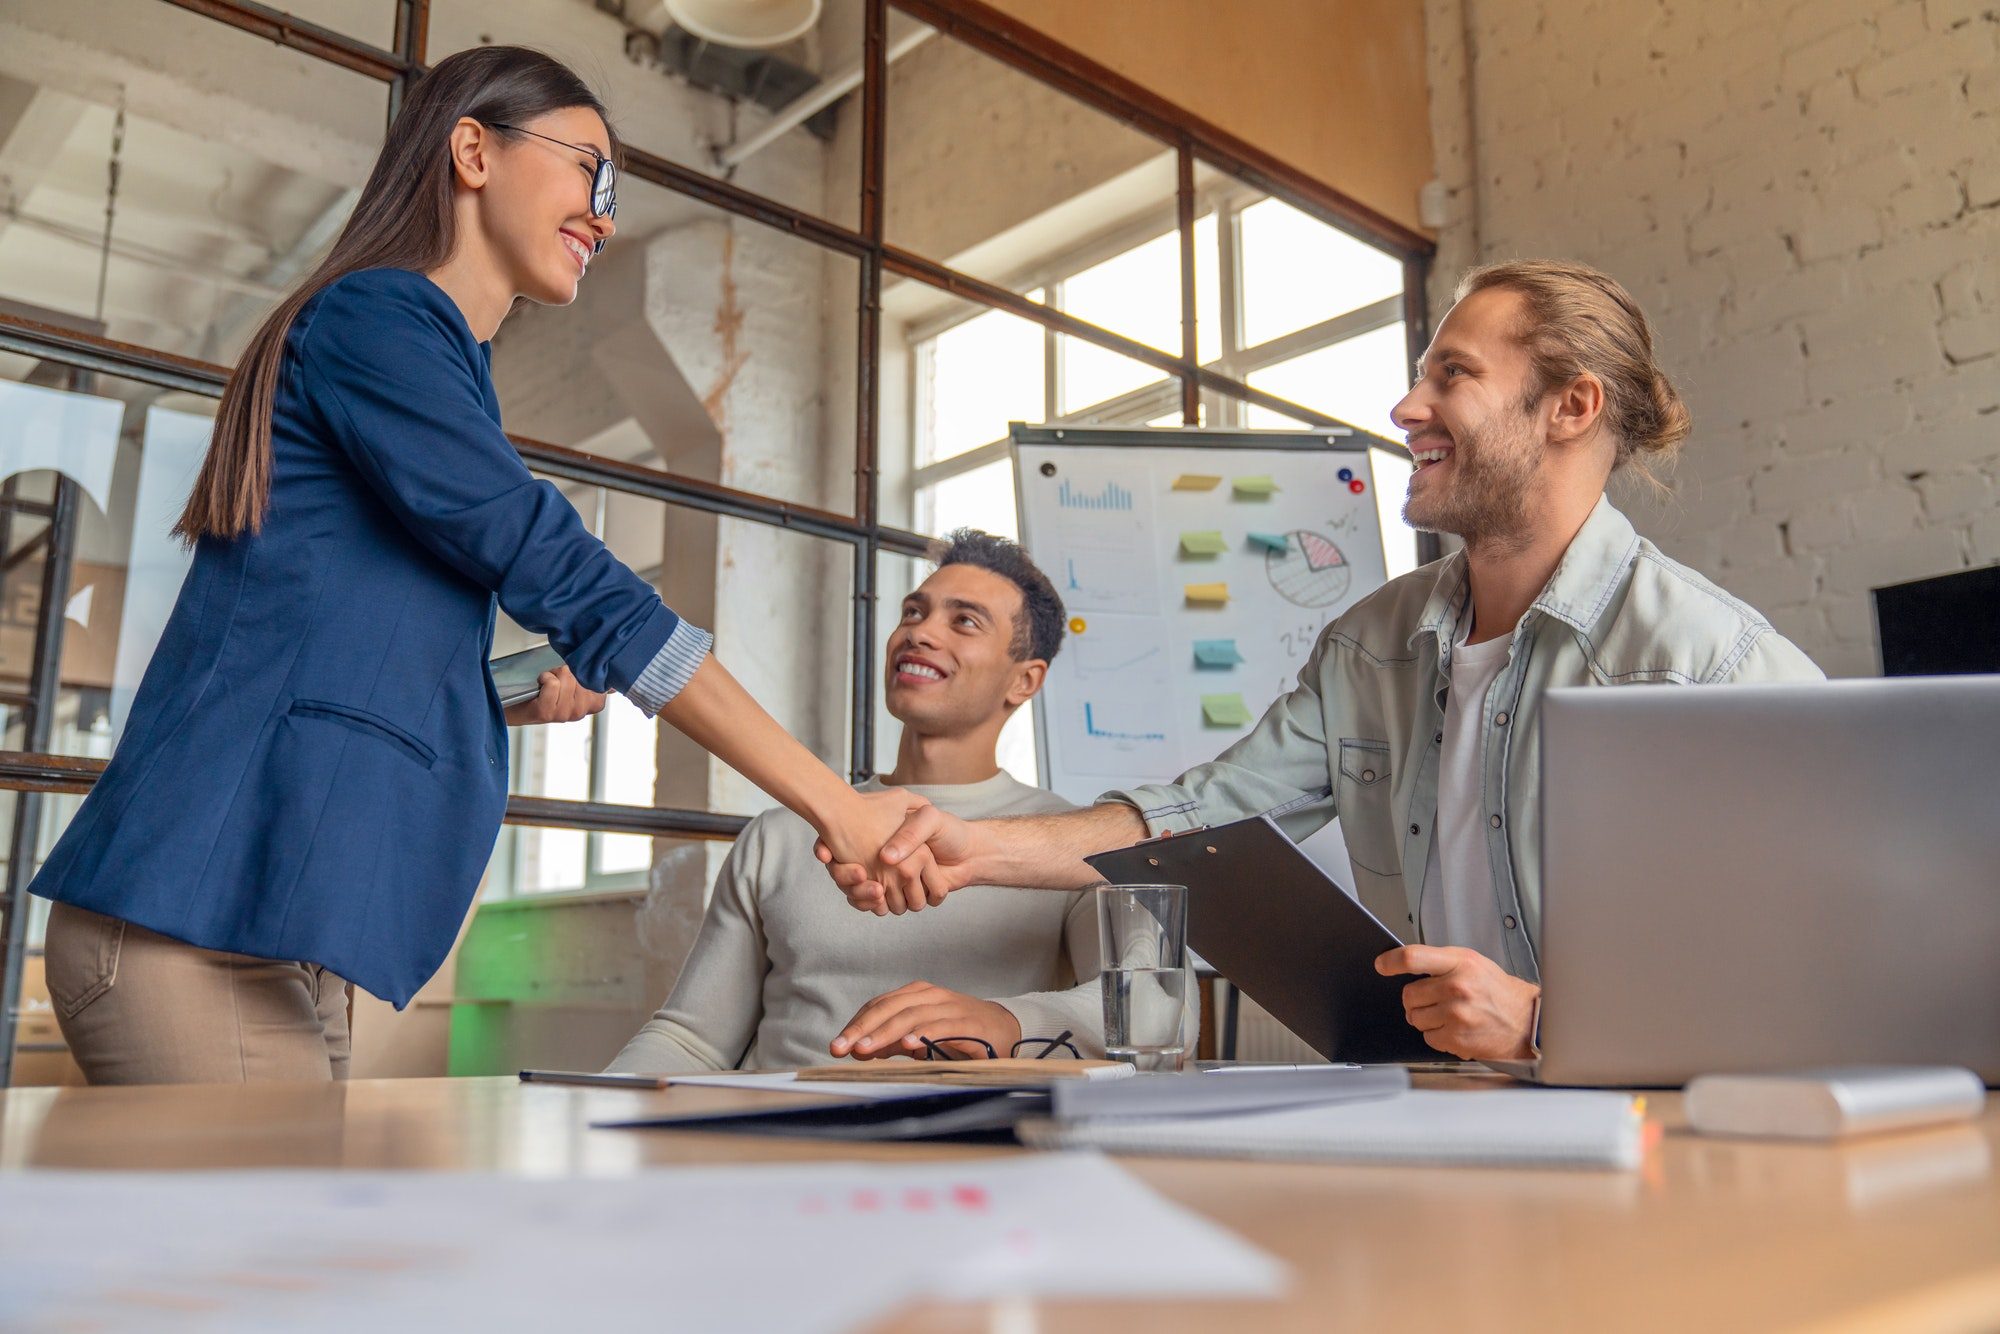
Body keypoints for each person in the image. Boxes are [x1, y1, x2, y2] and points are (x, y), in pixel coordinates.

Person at [32, 47, 911, 1086]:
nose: (604, 214)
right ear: (472, 150)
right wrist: (836, 804)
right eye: (589, 168)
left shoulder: (430, 358)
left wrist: (496, 691)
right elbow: (558, 565)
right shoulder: (377, 319)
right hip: (191, 920)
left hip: (273, 924)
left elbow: (319, 650)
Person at [824, 259, 1825, 1063]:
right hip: (1438, 1116)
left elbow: (1821, 961)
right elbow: (1202, 810)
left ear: (1568, 407)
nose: (1405, 407)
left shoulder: (1710, 659)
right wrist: (974, 847)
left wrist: (1538, 1022)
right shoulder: (1368, 643)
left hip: (1657, 1149)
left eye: (1453, 374)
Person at [607, 531, 1118, 1072]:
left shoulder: (1067, 844)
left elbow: (1147, 1010)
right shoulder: (779, 834)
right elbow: (692, 1040)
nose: (919, 632)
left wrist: (1007, 1021)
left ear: (1024, 681)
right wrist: (590, 1115)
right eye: (913, 612)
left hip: (966, 1144)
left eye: (963, 621)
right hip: (772, 1138)